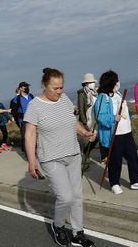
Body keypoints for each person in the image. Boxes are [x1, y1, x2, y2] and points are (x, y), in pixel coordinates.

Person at [24, 67, 96, 247]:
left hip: (72, 154)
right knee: (66, 197)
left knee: (77, 196)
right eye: (55, 88)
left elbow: (73, 123)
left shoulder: (64, 99)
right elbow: (29, 135)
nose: (59, 91)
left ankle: (78, 233)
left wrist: (85, 133)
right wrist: (32, 162)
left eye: (61, 87)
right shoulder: (34, 105)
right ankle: (58, 226)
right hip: (51, 158)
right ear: (44, 85)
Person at [94, 70, 138, 195]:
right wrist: (113, 118)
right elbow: (100, 116)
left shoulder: (118, 94)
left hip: (126, 132)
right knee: (115, 160)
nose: (118, 82)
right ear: (110, 82)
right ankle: (114, 183)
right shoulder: (103, 98)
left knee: (133, 157)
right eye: (116, 80)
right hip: (114, 134)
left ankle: (135, 181)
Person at [77, 73, 107, 168]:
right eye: (91, 82)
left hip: (98, 117)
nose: (93, 83)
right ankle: (87, 153)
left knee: (100, 135)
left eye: (93, 82)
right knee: (96, 136)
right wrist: (84, 122)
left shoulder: (96, 92)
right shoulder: (82, 93)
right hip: (90, 119)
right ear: (86, 83)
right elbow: (81, 108)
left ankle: (104, 156)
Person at [11, 82, 34, 152]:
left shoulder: (31, 96)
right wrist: (22, 115)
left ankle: (34, 151)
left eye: (28, 86)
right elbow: (13, 111)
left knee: (34, 137)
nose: (27, 88)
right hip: (23, 121)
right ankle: (27, 153)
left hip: (33, 120)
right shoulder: (16, 99)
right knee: (26, 138)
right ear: (20, 88)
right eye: (25, 87)